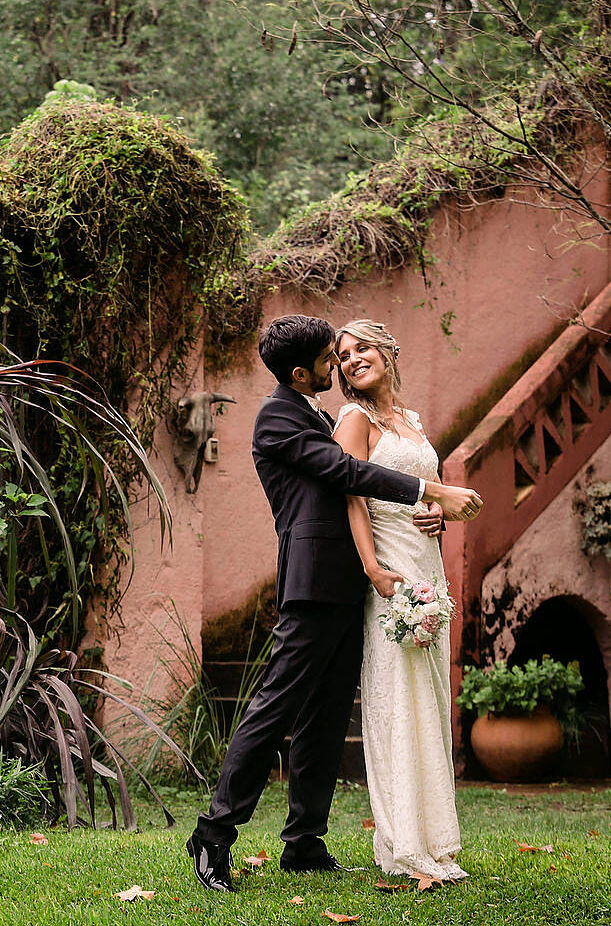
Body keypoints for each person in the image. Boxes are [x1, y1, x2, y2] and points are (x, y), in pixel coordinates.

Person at [186, 314, 482, 892]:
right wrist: (429, 490)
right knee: (275, 710)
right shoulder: (276, 419)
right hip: (314, 585)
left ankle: (304, 842)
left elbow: (359, 494)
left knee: (323, 719)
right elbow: (346, 471)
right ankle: (214, 835)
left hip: (355, 589)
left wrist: (419, 518)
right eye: (329, 358)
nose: (337, 366)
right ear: (301, 371)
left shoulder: (316, 414)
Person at [333, 319, 468, 883]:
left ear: (388, 350)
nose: (350, 359)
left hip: (427, 565)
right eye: (342, 354)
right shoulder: (353, 420)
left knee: (431, 698)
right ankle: (404, 845)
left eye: (362, 348)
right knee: (398, 698)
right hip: (389, 571)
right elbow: (352, 495)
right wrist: (372, 568)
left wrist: (436, 516)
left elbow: (422, 492)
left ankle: (438, 841)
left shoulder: (410, 423)